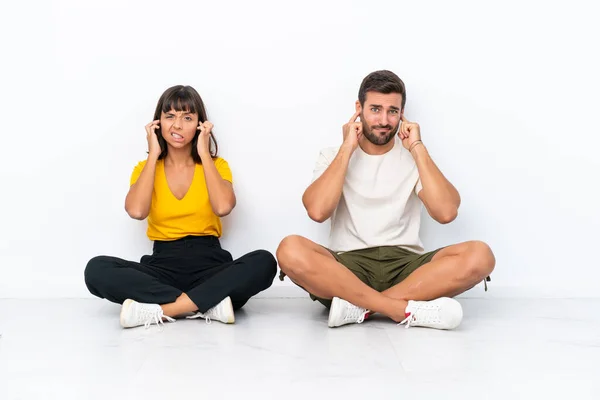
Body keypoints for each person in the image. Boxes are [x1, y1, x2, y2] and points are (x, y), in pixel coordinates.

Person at [276, 70, 495, 330]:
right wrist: (347, 148)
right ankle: (399, 309)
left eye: (393, 111)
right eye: (375, 109)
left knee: (481, 255)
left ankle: (360, 307)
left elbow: (446, 212)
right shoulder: (333, 155)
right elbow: (317, 210)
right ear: (359, 109)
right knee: (290, 249)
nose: (384, 120)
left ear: (402, 114)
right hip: (347, 269)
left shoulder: (414, 157)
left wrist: (417, 147)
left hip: (407, 268)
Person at [85, 85, 277, 329]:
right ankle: (207, 303)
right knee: (97, 269)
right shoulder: (144, 168)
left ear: (199, 125)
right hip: (162, 267)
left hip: (210, 266)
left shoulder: (216, 165)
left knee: (264, 261)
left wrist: (204, 154)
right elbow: (136, 211)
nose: (177, 125)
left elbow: (223, 207)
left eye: (187, 118)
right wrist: (153, 154)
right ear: (158, 123)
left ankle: (166, 309)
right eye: (170, 116)